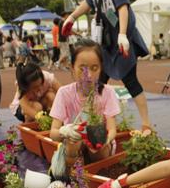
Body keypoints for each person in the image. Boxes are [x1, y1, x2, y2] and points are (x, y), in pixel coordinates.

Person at [61, 0, 152, 131]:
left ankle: (146, 124)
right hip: (106, 43)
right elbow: (88, 2)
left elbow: (123, 8)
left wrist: (122, 34)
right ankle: (95, 120)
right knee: (97, 83)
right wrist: (72, 17)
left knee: (131, 82)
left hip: (122, 42)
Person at [50, 39, 120, 169]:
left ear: (101, 68)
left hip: (99, 147)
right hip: (73, 146)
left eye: (94, 68)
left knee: (100, 148)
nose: (88, 75)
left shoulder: (107, 92)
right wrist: (65, 131)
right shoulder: (64, 93)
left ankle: (97, 174)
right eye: (82, 69)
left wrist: (105, 140)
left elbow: (112, 129)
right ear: (72, 68)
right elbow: (53, 133)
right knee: (72, 143)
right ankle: (73, 176)